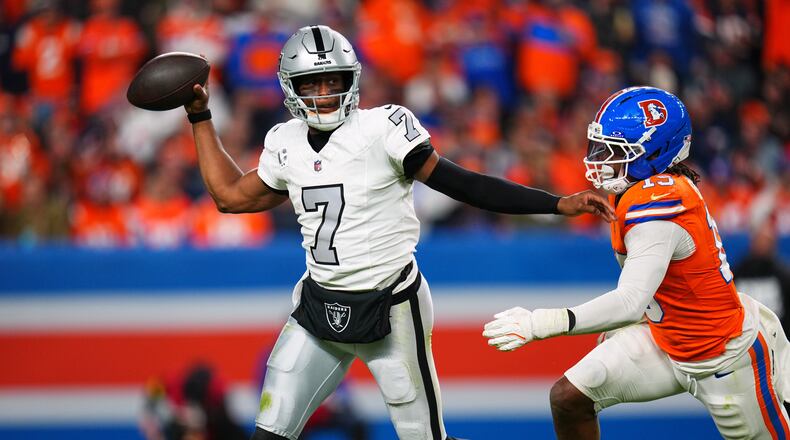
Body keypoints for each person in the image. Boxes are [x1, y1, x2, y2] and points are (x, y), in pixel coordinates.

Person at [184, 25, 615, 440]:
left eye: (332, 79)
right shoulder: (284, 141)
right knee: (270, 431)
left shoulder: (383, 129)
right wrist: (200, 115)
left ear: (351, 79)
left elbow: (461, 183)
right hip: (318, 308)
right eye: (312, 83)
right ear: (290, 87)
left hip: (391, 307)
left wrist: (555, 203)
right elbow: (229, 196)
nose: (325, 92)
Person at [483, 86, 790, 439]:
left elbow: (630, 301)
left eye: (614, 152)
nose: (600, 160)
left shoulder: (659, 207)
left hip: (723, 358)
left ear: (655, 153)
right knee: (569, 398)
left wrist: (542, 323)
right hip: (666, 337)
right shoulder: (650, 189)